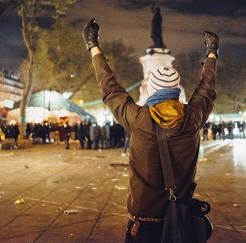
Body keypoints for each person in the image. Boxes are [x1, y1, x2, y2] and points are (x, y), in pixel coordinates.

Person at [83, 18, 218, 242]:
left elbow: (110, 89)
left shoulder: (138, 119)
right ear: (176, 92)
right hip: (181, 223)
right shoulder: (193, 117)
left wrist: (93, 45)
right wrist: (212, 51)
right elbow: (207, 89)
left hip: (144, 226)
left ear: (151, 90)